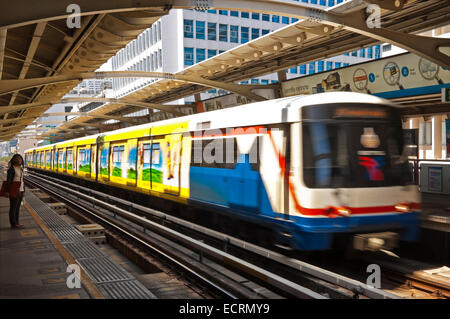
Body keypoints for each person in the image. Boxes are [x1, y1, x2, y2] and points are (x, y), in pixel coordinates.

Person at [5, 154, 25, 229]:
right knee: (13, 208)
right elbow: (9, 181)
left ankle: (17, 222)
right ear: (14, 160)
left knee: (17, 208)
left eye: (20, 159)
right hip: (14, 190)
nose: (19, 160)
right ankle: (13, 224)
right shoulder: (12, 169)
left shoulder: (21, 168)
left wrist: (24, 191)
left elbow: (22, 180)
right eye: (17, 159)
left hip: (21, 190)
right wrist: (7, 191)